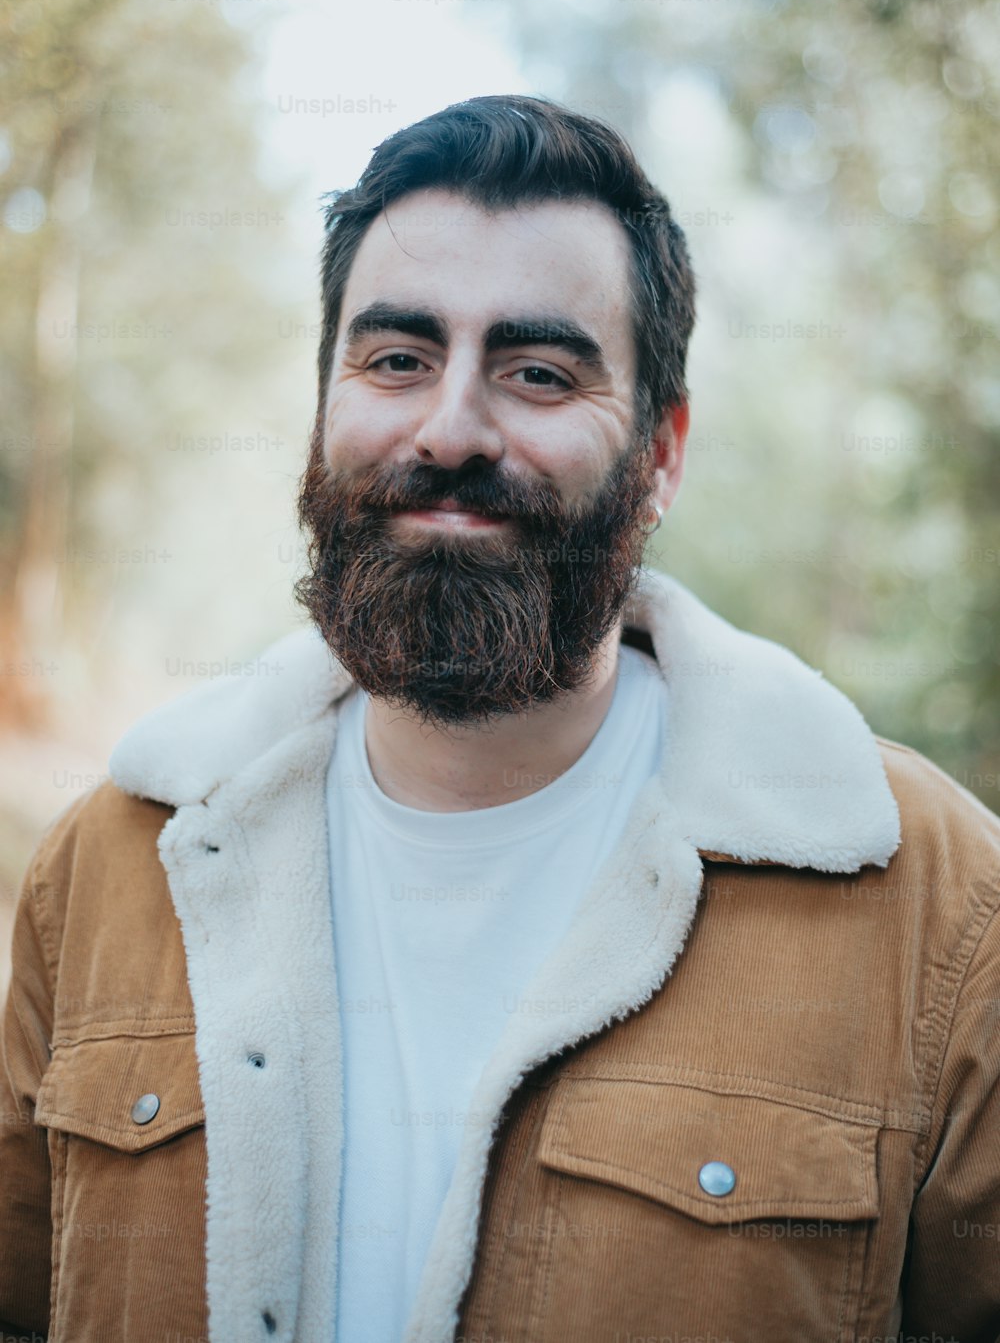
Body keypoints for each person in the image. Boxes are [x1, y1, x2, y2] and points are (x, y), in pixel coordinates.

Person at [1, 94, 998, 1343]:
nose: (450, 428)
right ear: (325, 400)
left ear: (663, 449)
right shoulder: (107, 864)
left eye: (536, 372)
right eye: (396, 359)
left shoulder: (940, 906)